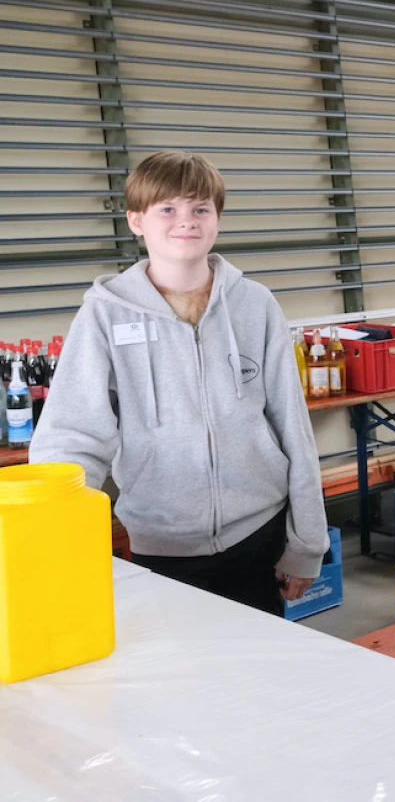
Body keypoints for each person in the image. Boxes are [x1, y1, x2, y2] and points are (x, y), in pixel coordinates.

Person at [31, 150, 329, 616]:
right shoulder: (105, 314)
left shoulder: (255, 304)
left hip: (260, 536)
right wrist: (60, 534)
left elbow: (293, 427)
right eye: (167, 208)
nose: (185, 221)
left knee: (261, 676)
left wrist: (307, 542)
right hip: (161, 543)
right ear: (136, 220)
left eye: (200, 209)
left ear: (217, 219)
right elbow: (72, 435)